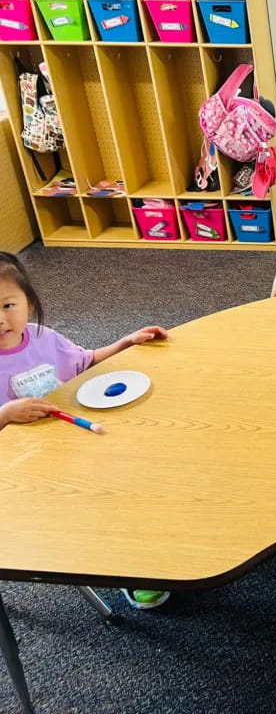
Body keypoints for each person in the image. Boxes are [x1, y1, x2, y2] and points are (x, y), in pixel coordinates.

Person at [0, 252, 172, 610]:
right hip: (24, 469)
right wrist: (5, 414)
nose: (0, 319)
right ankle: (128, 570)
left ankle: (147, 552)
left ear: (28, 304)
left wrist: (125, 343)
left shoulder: (42, 337)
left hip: (74, 443)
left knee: (135, 477)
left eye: (7, 304)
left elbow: (84, 362)